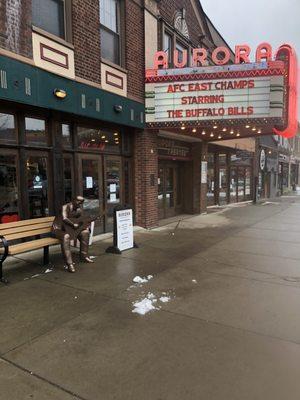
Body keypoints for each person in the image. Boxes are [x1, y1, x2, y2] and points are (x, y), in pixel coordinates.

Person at [52, 196, 94, 273]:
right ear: (73, 200)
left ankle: (84, 256)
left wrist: (86, 225)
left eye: (81, 202)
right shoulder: (65, 207)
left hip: (70, 229)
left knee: (85, 232)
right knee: (66, 236)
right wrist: (73, 224)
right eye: (79, 202)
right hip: (59, 229)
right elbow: (64, 218)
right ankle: (69, 263)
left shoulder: (79, 210)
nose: (80, 204)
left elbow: (81, 220)